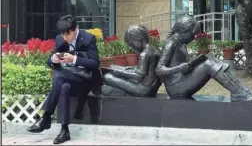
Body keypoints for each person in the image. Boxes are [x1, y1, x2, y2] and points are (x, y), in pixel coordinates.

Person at [27, 15, 102, 144]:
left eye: (68, 34)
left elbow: (95, 63)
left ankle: (46, 117)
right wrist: (53, 59)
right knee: (63, 85)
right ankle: (64, 130)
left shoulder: (88, 38)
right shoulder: (60, 40)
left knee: (59, 77)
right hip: (68, 79)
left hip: (85, 81)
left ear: (75, 29)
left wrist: (74, 59)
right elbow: (49, 61)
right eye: (63, 35)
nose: (65, 38)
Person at [155, 15, 252, 102]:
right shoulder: (171, 44)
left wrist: (191, 65)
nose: (193, 39)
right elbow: (159, 70)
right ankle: (238, 93)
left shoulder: (181, 44)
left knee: (212, 59)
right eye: (192, 35)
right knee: (208, 64)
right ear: (183, 31)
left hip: (181, 80)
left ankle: (242, 91)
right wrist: (179, 68)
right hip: (176, 88)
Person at [102, 25, 161, 97]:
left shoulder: (144, 54)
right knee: (117, 68)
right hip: (152, 88)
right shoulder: (155, 50)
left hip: (143, 90)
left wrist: (120, 72)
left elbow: (139, 76)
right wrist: (123, 68)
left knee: (107, 77)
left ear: (139, 40)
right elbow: (144, 70)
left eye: (131, 44)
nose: (131, 47)